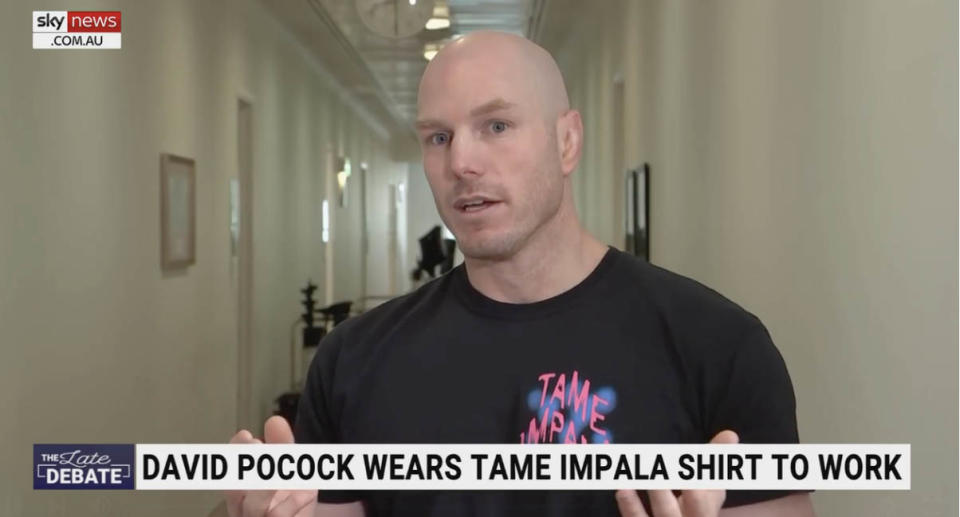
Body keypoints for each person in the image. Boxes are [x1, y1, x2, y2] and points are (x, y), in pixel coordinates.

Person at [226, 31, 817, 517]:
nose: (461, 161)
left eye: (497, 126)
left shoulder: (717, 346)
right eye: (438, 137)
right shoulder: (354, 359)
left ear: (567, 141)